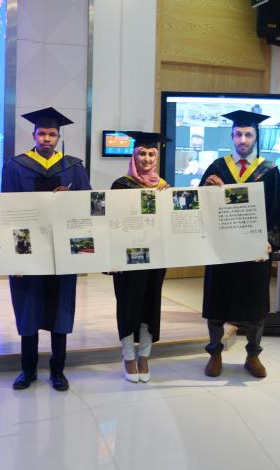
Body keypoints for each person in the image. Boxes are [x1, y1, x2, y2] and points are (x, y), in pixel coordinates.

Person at [1, 107, 91, 392]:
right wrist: (14, 257)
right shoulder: (16, 166)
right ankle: (27, 370)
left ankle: (57, 370)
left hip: (60, 249)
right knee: (29, 308)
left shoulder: (73, 167)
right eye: (42, 134)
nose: (47, 139)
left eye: (52, 134)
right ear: (34, 135)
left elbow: (88, 207)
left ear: (58, 137)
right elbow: (7, 210)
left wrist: (70, 199)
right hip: (26, 247)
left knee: (59, 309)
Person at [200, 110, 280, 379]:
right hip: (222, 249)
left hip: (254, 250)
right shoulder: (217, 167)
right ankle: (215, 353)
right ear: (232, 136)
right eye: (238, 134)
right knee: (217, 302)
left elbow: (275, 211)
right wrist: (208, 188)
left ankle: (253, 355)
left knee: (255, 305)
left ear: (256, 137)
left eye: (248, 134)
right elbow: (199, 205)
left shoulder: (269, 170)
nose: (243, 140)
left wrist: (270, 242)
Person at [110, 132, 171, 383]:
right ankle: (127, 356)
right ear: (134, 156)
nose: (146, 158)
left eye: (151, 154)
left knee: (150, 304)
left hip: (156, 255)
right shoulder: (121, 185)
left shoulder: (164, 186)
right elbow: (111, 223)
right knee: (128, 304)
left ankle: (144, 355)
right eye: (142, 153)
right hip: (129, 256)